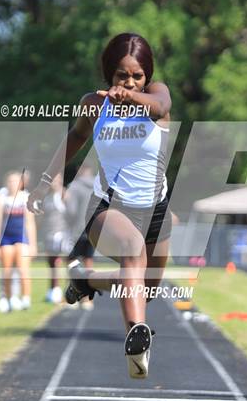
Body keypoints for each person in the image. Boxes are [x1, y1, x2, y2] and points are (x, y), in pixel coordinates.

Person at [28, 33, 172, 379]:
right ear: (109, 73)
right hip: (109, 207)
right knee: (132, 251)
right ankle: (137, 340)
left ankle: (87, 281)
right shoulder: (94, 104)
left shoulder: (157, 94)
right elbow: (76, 137)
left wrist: (133, 95)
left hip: (155, 209)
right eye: (122, 75)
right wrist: (45, 182)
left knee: (146, 287)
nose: (130, 81)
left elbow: (160, 107)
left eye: (137, 75)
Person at [0, 171, 37, 312]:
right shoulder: (2, 199)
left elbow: (30, 223)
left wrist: (33, 245)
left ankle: (25, 298)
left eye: (15, 181)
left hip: (21, 237)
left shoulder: (26, 198)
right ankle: (8, 298)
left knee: (23, 269)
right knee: (6, 271)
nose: (12, 184)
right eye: (10, 181)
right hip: (6, 238)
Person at [64, 163, 95, 310]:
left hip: (77, 230)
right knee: (88, 262)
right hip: (94, 229)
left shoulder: (74, 186)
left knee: (72, 262)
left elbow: (71, 211)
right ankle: (88, 299)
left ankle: (74, 295)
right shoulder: (100, 186)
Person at [41, 174, 71, 306]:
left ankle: (70, 291)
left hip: (62, 233)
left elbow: (72, 213)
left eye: (55, 180)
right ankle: (53, 290)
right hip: (49, 233)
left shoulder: (64, 194)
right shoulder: (46, 196)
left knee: (66, 263)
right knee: (51, 263)